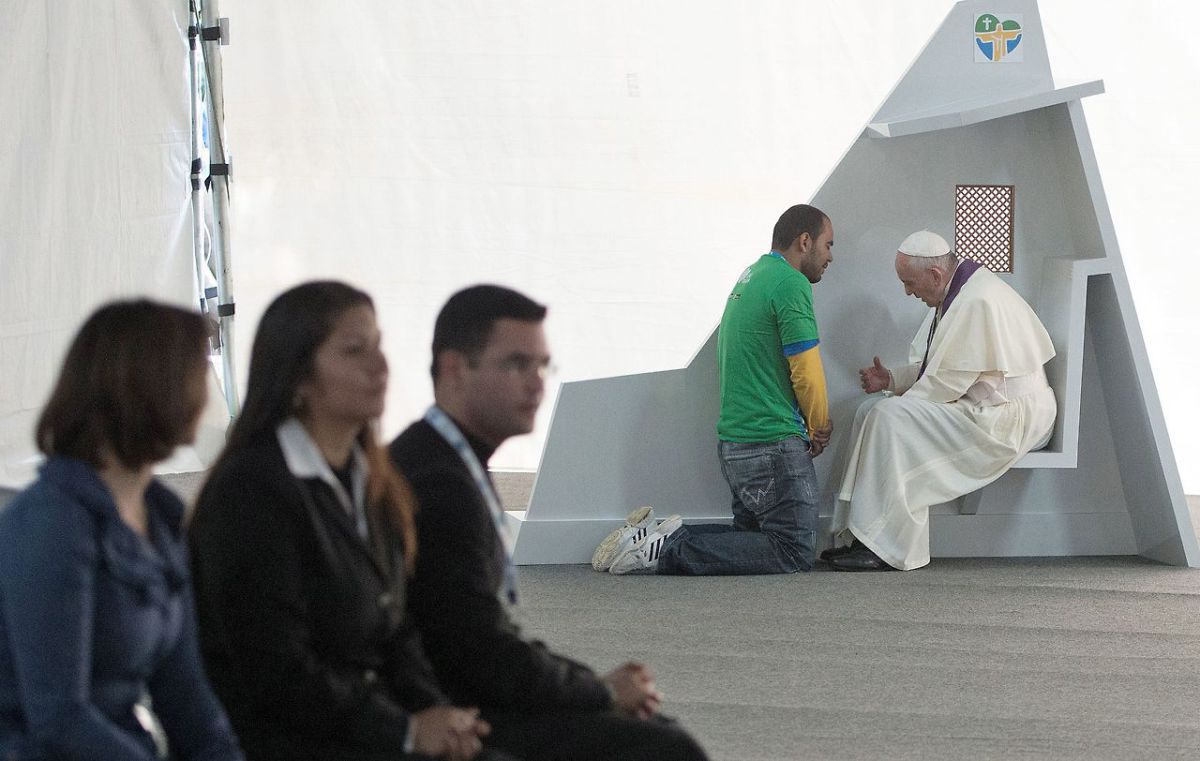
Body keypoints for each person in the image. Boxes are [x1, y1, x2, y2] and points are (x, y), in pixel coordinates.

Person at [189, 282, 511, 761]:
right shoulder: (249, 493)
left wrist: (438, 715)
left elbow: (396, 631)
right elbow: (278, 673)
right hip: (283, 741)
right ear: (297, 377)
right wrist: (405, 730)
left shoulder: (374, 480)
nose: (380, 366)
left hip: (361, 724)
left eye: (379, 347)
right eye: (354, 351)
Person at [389, 285, 709, 761]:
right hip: (442, 713)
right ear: (455, 370)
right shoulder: (438, 482)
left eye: (542, 365)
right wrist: (597, 691)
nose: (537, 383)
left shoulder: (439, 460)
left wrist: (591, 688)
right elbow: (478, 654)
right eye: (518, 365)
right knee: (663, 747)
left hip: (455, 691)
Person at [0, 300, 244, 761]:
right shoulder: (53, 523)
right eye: (195, 373)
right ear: (147, 387)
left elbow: (185, 695)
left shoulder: (163, 517)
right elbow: (58, 718)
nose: (206, 391)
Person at [597, 203, 834, 576]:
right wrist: (819, 424)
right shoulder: (791, 284)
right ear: (805, 241)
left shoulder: (752, 275)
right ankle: (667, 549)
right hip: (771, 445)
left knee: (750, 536)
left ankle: (652, 536)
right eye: (828, 245)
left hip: (735, 444)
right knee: (793, 550)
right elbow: (805, 369)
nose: (830, 256)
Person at [827, 230, 1056, 571]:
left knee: (889, 418)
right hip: (985, 406)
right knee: (869, 411)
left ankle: (887, 546)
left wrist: (899, 401)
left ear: (934, 274)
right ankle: (862, 535)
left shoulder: (977, 300)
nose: (907, 292)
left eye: (909, 283)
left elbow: (947, 382)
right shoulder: (959, 291)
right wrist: (891, 380)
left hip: (1008, 417)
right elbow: (944, 368)